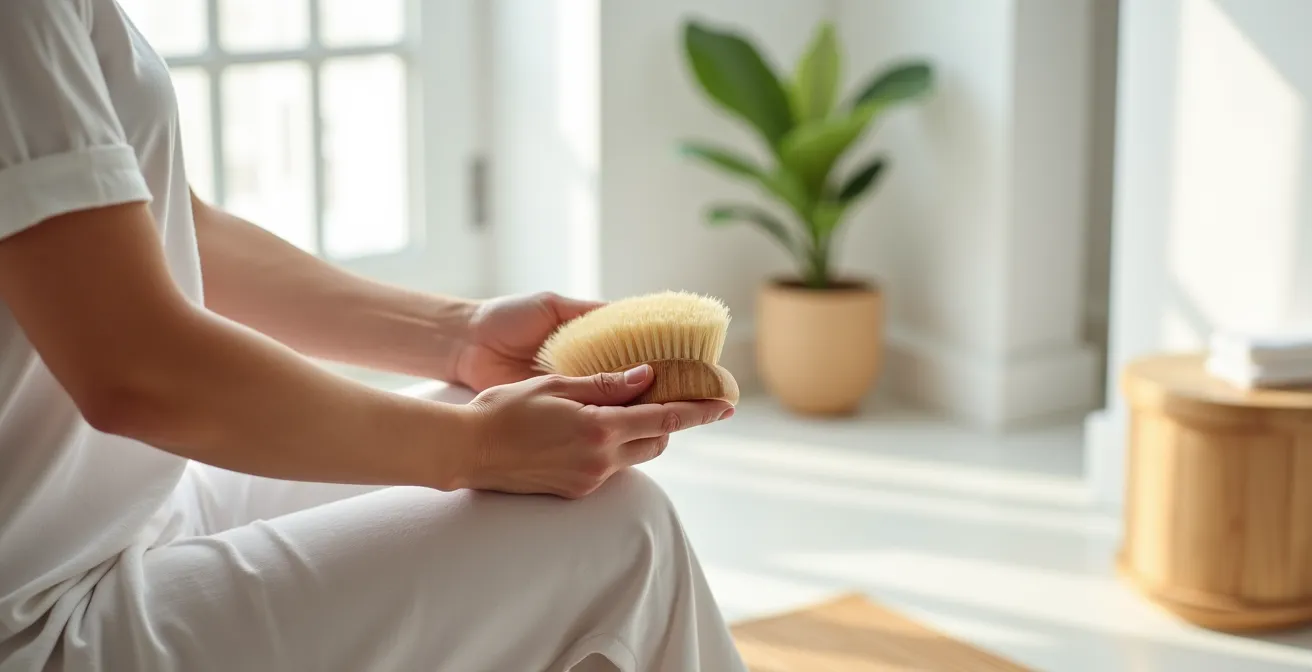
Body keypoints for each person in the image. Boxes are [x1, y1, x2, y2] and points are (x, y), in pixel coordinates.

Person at [0, 1, 747, 670]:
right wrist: (476, 448)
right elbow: (138, 371)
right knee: (620, 534)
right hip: (38, 617)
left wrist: (456, 338)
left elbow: (170, 229)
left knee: (482, 399)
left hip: (131, 511)